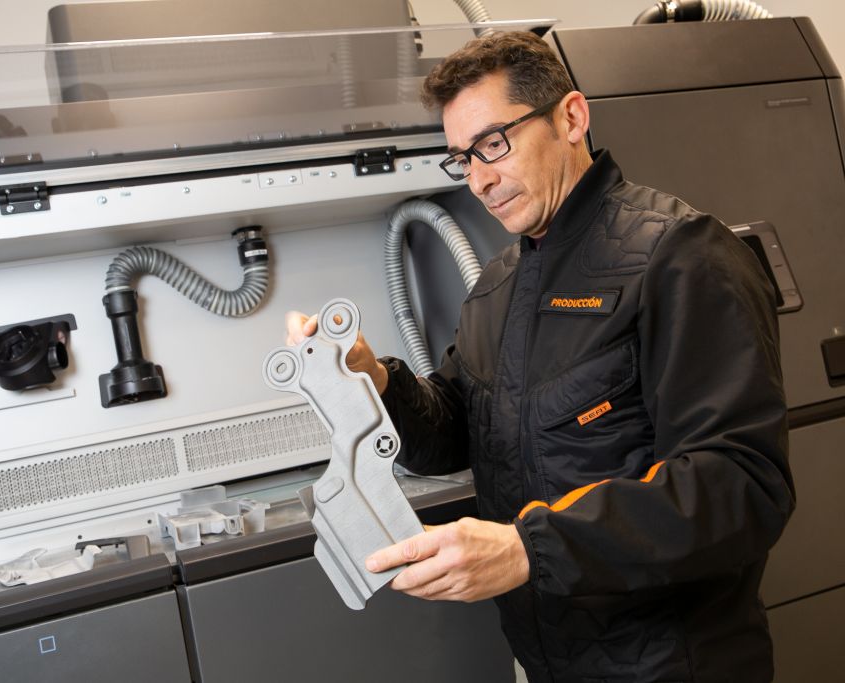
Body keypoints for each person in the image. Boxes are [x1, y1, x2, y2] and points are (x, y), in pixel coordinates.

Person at [286, 31, 795, 682]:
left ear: (571, 118)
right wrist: (372, 377)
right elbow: (456, 433)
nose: (479, 179)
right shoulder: (498, 286)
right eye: (462, 158)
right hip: (550, 662)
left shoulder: (681, 255)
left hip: (676, 664)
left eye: (494, 143)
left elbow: (742, 486)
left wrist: (530, 548)